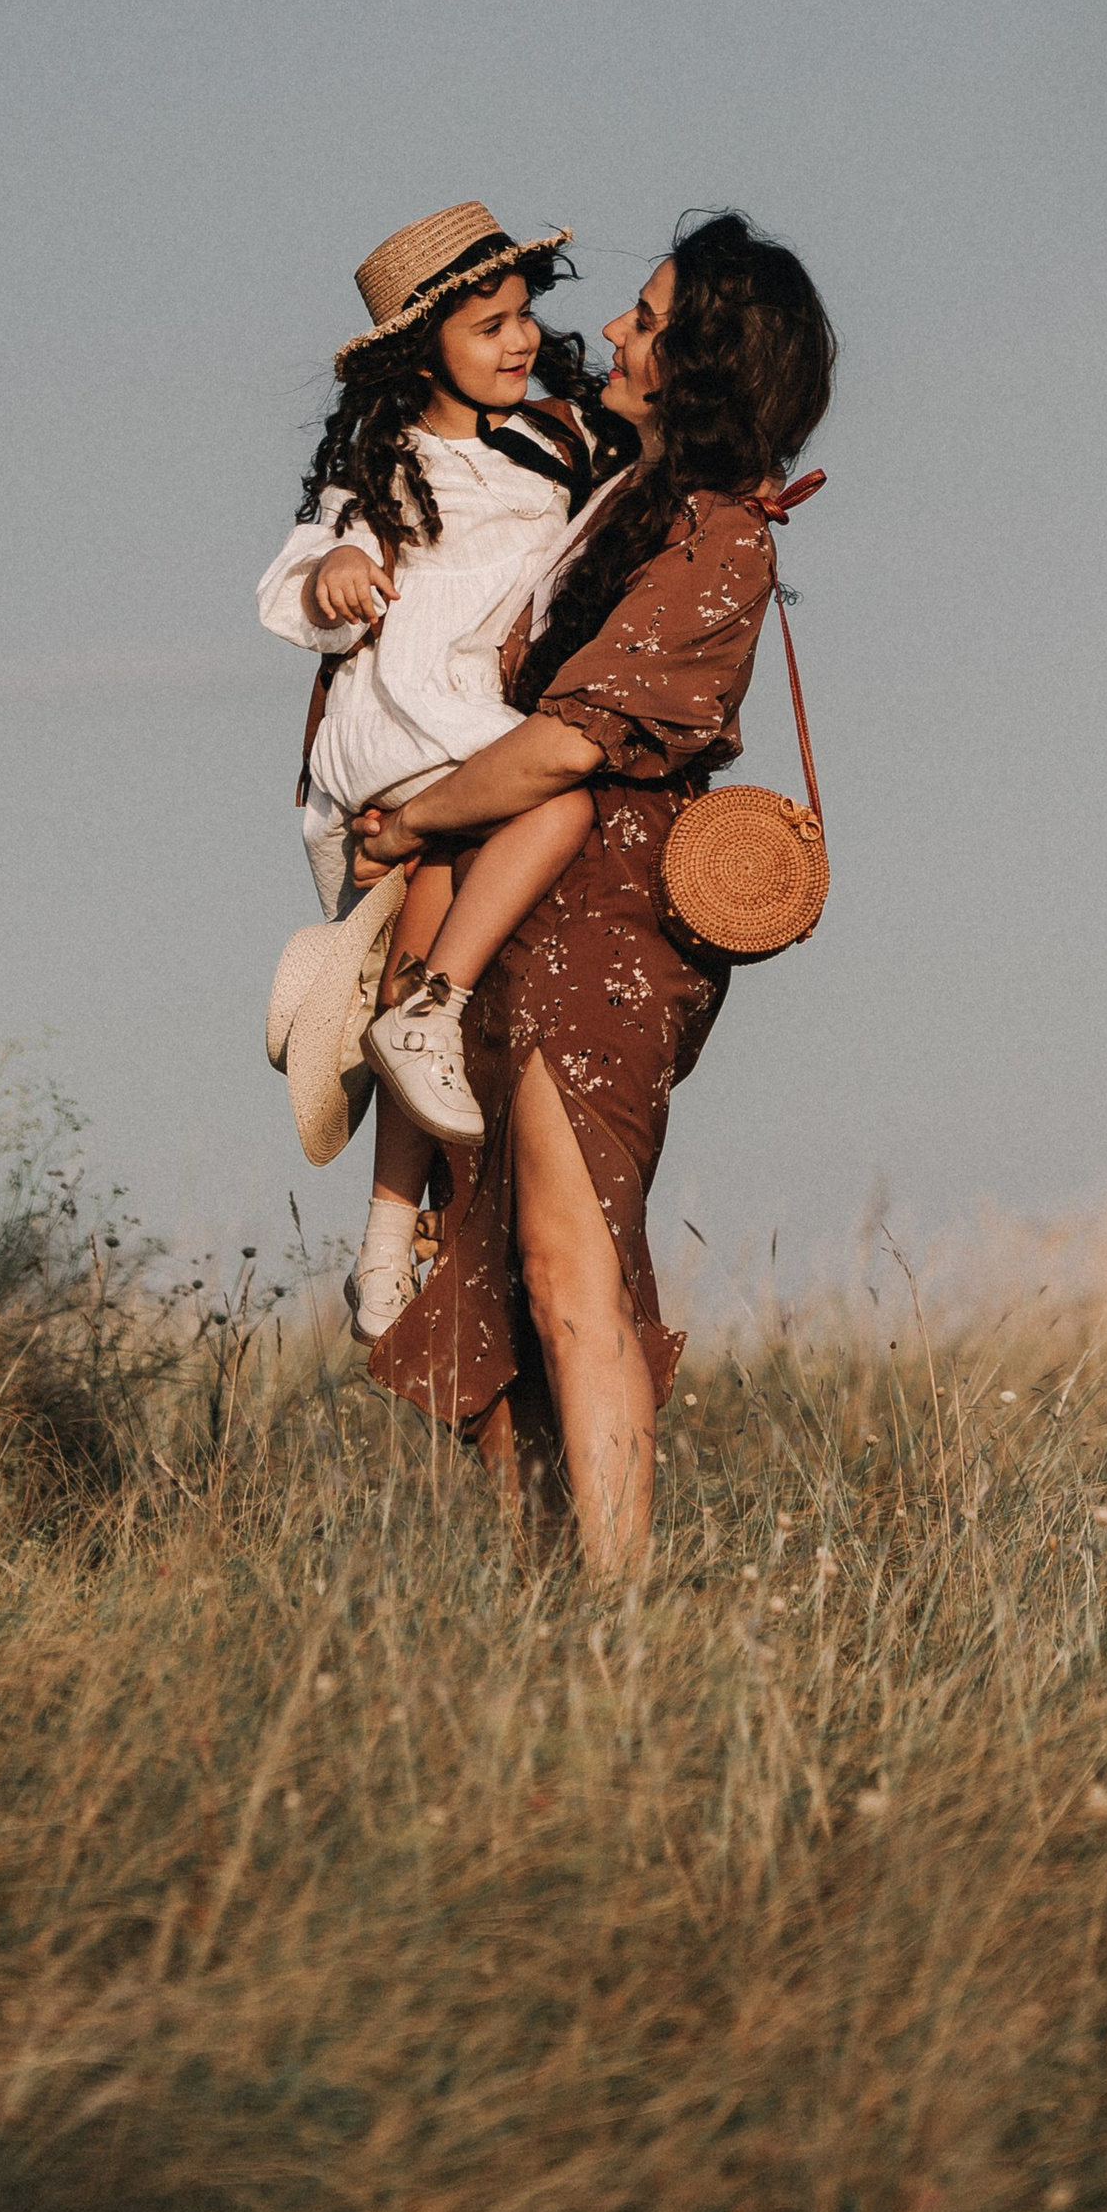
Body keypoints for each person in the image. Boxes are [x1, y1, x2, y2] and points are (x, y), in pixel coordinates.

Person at [350, 211, 836, 1570]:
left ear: (704, 361)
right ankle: (545, 1599)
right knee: (496, 1268)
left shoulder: (724, 538)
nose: (614, 331)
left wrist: (411, 819)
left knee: (572, 1262)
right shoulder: (621, 496)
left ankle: (618, 1614)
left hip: (604, 929)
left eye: (648, 317)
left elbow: (570, 741)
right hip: (516, 912)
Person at [256, 204, 624, 1339]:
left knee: (439, 894)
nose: (519, 340)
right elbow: (302, 575)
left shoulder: (556, 443)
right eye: (487, 326)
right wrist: (338, 570)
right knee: (557, 798)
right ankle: (431, 1011)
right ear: (424, 354)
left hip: (475, 719)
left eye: (522, 316)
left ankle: (384, 1236)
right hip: (410, 721)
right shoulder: (383, 472)